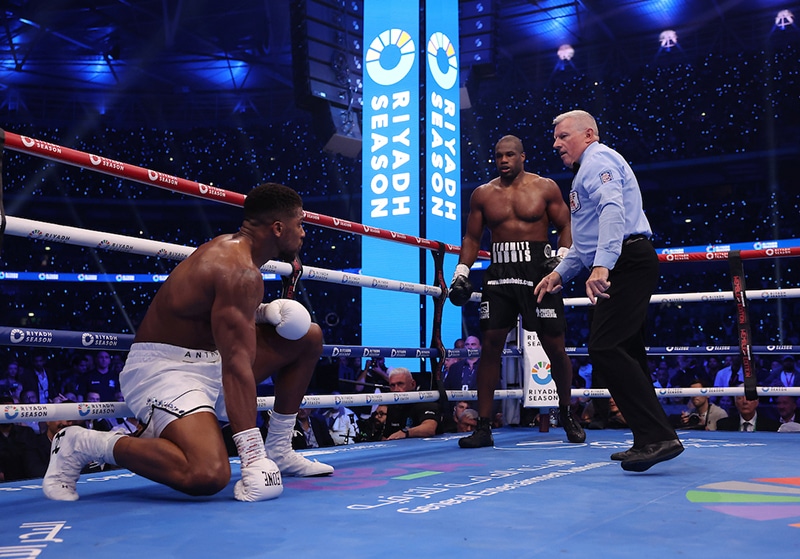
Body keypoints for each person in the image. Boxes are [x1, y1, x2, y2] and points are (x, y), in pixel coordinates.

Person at [43, 182, 332, 503]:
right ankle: (81, 443)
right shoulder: (237, 269)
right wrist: (252, 456)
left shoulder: (240, 257)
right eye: (299, 224)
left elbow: (216, 320)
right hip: (166, 370)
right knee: (207, 474)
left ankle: (279, 448)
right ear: (278, 228)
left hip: (208, 362)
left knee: (309, 336)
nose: (304, 233)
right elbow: (237, 367)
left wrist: (261, 312)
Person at [535, 110, 683, 472]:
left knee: (605, 346)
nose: (556, 143)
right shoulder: (583, 171)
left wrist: (604, 264)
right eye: (554, 137)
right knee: (628, 349)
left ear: (588, 135)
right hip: (622, 258)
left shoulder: (598, 159)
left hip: (626, 259)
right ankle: (650, 437)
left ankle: (658, 436)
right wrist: (560, 273)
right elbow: (586, 241)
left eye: (563, 136)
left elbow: (613, 211)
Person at [450, 134, 584, 448]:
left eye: (510, 155)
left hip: (539, 273)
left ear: (523, 157)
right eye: (498, 156)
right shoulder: (483, 194)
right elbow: (472, 238)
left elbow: (566, 226)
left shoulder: (545, 187)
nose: (504, 161)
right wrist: (461, 272)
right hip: (499, 274)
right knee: (491, 346)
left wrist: (561, 262)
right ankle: (483, 427)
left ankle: (566, 413)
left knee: (555, 346)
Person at [383, 368, 439, 440]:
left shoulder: (424, 401)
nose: (396, 389)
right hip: (400, 447)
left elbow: (429, 428)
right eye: (392, 385)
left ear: (413, 384)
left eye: (400, 384)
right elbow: (386, 436)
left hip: (427, 447)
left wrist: (405, 432)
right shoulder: (393, 406)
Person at [716, 385, 781, 432]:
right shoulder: (723, 426)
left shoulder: (771, 427)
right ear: (735, 402)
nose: (745, 402)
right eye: (740, 398)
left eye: (749, 398)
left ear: (757, 402)